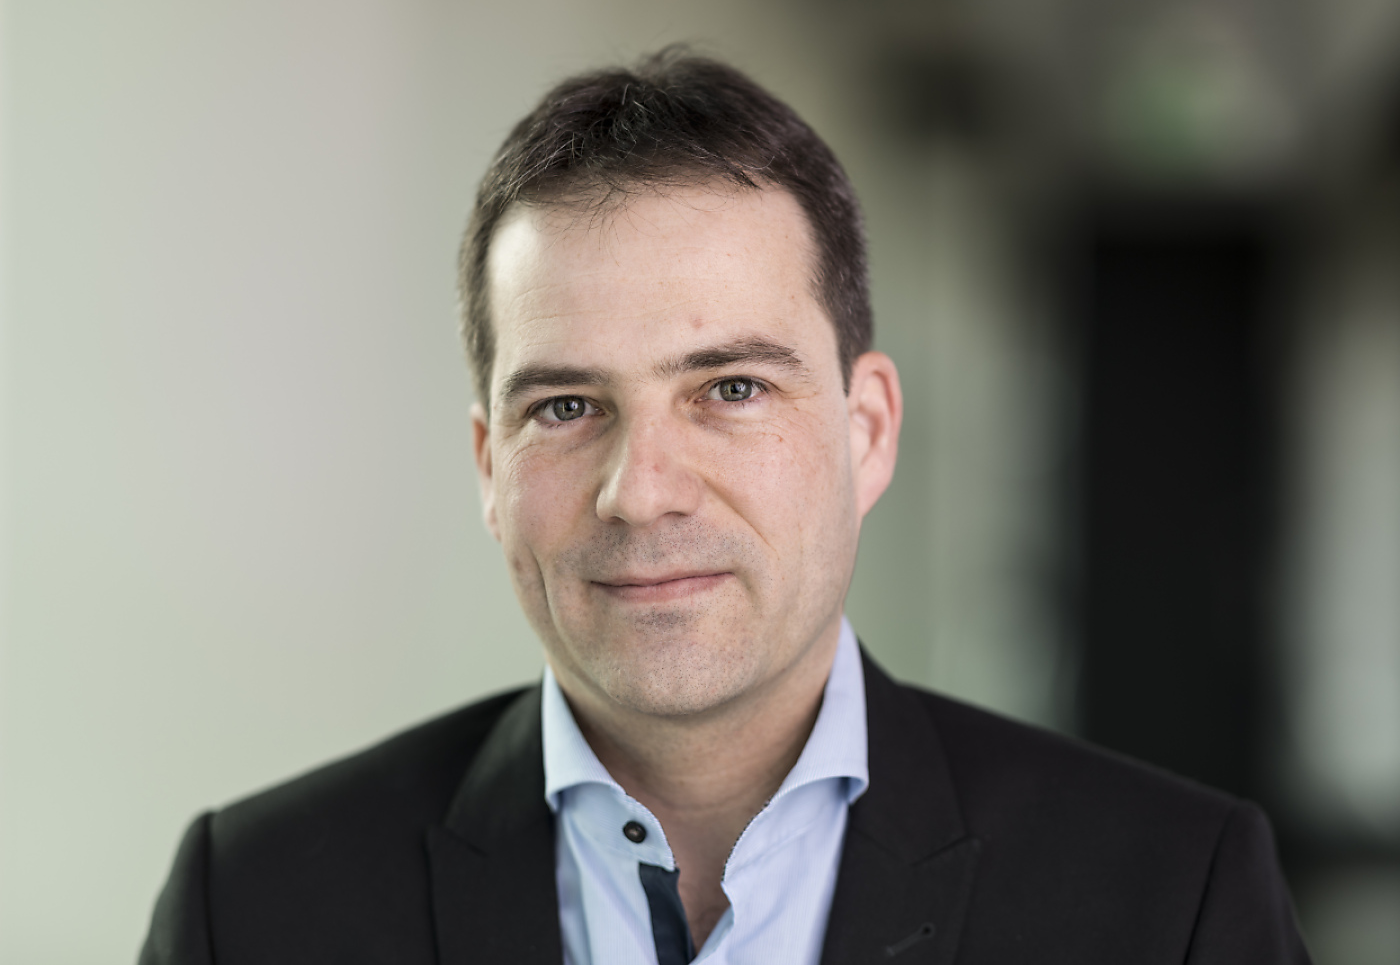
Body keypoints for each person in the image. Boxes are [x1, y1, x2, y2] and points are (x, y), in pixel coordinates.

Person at [140, 48, 1310, 965]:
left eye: (731, 388)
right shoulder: (254, 909)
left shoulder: (1168, 902)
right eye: (565, 406)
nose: (641, 492)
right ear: (489, 467)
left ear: (865, 431)